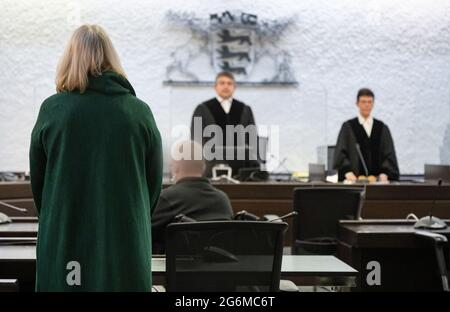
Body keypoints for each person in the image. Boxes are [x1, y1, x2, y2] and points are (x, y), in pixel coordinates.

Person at [29, 24, 163, 291]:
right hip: (125, 240)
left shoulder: (53, 111)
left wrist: (57, 215)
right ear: (111, 59)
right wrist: (129, 215)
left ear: (69, 58)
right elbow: (153, 184)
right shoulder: (138, 112)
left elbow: (39, 184)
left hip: (65, 236)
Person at [152, 141, 233, 253]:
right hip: (217, 269)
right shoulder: (223, 199)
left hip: (179, 269)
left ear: (175, 167)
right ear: (203, 167)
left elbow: (143, 235)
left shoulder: (167, 198)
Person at [190, 72, 259, 177]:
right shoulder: (203, 109)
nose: (226, 86)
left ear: (234, 87)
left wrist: (254, 164)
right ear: (215, 87)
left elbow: (252, 138)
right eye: (222, 83)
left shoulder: (244, 109)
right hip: (210, 168)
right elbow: (197, 139)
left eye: (229, 83)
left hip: (240, 169)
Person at [333, 88, 399, 182]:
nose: (366, 105)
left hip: (378, 184)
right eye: (363, 102)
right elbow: (341, 154)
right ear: (357, 104)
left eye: (369, 102)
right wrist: (346, 171)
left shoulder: (381, 128)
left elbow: (389, 154)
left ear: (373, 104)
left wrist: (385, 173)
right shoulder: (348, 127)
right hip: (354, 183)